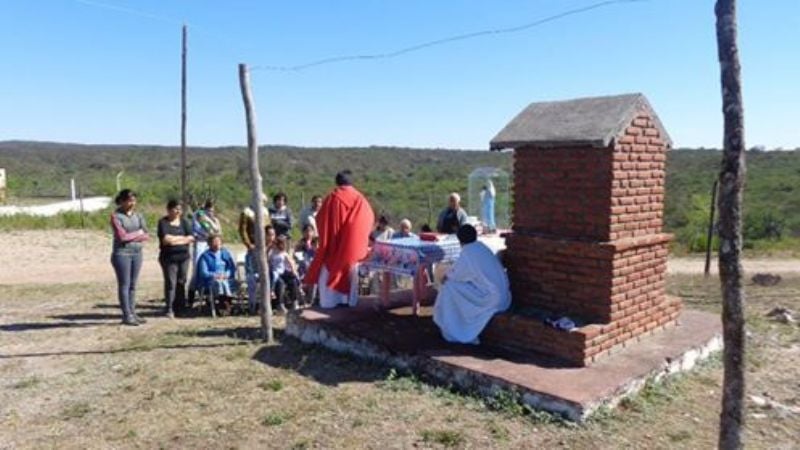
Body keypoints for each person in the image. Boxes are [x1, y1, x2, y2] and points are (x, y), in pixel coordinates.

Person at [305, 170, 375, 309]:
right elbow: (369, 221)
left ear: (337, 182)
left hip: (334, 248)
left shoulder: (332, 198)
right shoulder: (362, 200)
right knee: (359, 275)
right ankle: (358, 304)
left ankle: (330, 307)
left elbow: (321, 219)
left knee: (328, 278)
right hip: (356, 251)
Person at [433, 224, 511, 344]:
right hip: (504, 297)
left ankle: (453, 326)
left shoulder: (468, 252)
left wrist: (445, 277)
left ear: (460, 240)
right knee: (455, 285)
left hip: (491, 298)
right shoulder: (482, 247)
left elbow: (457, 274)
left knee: (449, 287)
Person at [109, 189, 150, 326]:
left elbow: (146, 234)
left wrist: (134, 235)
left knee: (133, 284)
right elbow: (122, 237)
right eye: (129, 200)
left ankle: (133, 312)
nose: (132, 203)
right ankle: (126, 315)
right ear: (121, 201)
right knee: (124, 284)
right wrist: (138, 234)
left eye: (134, 200)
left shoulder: (138, 216)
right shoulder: (116, 217)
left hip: (137, 253)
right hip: (122, 254)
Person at [157, 199, 194, 318]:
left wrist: (175, 239)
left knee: (181, 282)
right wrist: (182, 239)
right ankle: (169, 308)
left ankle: (181, 307)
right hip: (169, 258)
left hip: (184, 257)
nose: (178, 211)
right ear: (169, 209)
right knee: (171, 283)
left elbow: (191, 238)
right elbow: (166, 240)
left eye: (180, 209)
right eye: (176, 209)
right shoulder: (163, 222)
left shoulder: (184, 222)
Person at [189, 199, 222, 301]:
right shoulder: (199, 215)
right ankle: (192, 292)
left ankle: (208, 293)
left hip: (212, 244)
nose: (211, 212)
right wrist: (209, 232)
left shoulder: (214, 219)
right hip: (201, 242)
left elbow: (218, 231)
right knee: (197, 269)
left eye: (212, 210)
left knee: (212, 267)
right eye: (209, 210)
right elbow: (199, 229)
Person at [244, 225, 276, 314]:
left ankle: (275, 304)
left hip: (272, 274)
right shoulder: (256, 248)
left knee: (279, 280)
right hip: (257, 272)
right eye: (269, 235)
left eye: (273, 235)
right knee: (253, 279)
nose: (271, 237)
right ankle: (253, 306)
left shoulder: (276, 248)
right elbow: (250, 263)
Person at [197, 234, 237, 301]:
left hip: (225, 278)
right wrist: (216, 275)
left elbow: (232, 268)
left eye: (218, 241)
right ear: (210, 244)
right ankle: (223, 302)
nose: (217, 243)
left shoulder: (226, 254)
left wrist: (226, 274)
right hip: (210, 280)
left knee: (226, 283)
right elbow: (204, 273)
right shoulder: (205, 256)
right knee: (218, 283)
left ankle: (225, 301)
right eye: (215, 241)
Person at [269, 235, 301, 311]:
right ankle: (280, 304)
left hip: (283, 272)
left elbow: (291, 262)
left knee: (293, 280)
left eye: (284, 243)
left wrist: (293, 271)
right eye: (282, 243)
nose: (284, 245)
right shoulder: (272, 252)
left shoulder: (284, 253)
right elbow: (269, 262)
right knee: (280, 283)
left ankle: (294, 301)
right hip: (275, 272)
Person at [294, 224, 318, 306]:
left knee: (314, 279)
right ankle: (301, 301)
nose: (308, 233)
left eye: (310, 231)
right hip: (303, 269)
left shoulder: (317, 242)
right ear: (303, 233)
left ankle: (311, 300)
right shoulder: (300, 244)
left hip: (315, 269)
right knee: (296, 280)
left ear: (313, 232)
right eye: (306, 231)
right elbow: (297, 258)